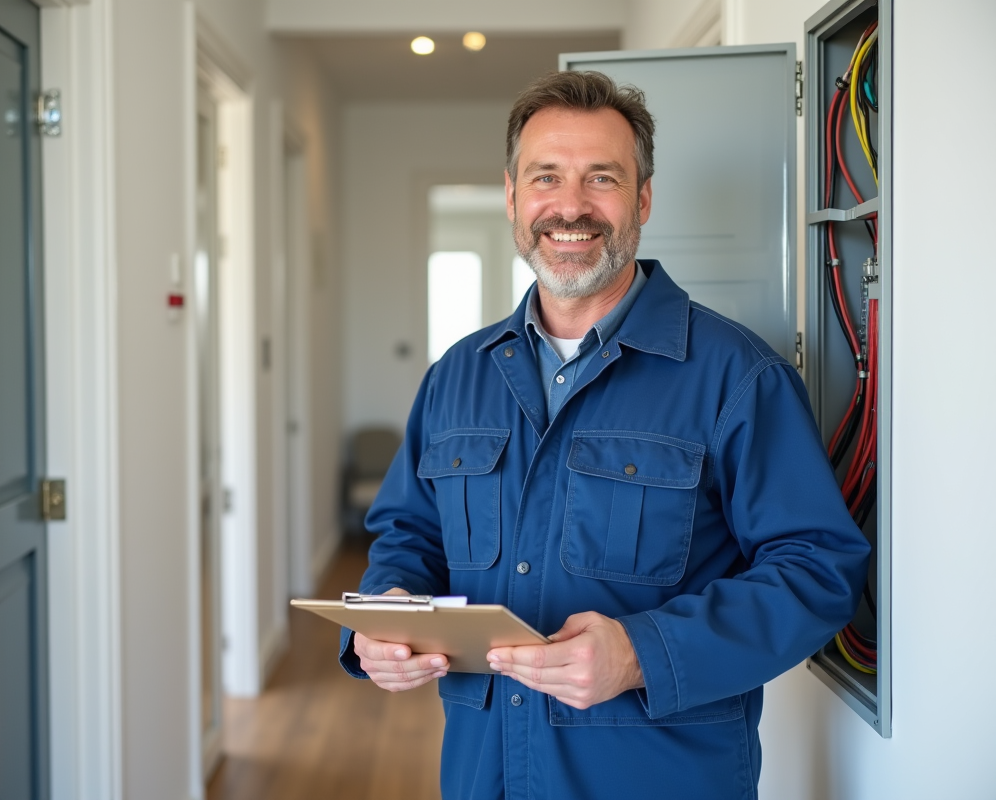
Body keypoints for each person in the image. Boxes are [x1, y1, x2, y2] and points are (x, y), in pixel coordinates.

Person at [338, 70, 870, 799]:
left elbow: (819, 570)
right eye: (546, 177)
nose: (571, 207)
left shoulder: (737, 377)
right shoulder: (456, 376)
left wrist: (643, 653)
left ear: (643, 199)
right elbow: (408, 535)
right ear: (513, 197)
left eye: (603, 179)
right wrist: (385, 613)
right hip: (481, 774)